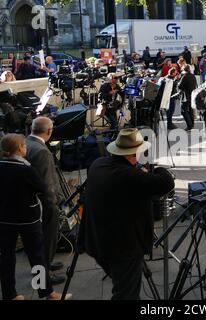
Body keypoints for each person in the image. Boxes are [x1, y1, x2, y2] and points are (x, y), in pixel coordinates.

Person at [83, 128, 175, 300]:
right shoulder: (130, 175)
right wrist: (157, 170)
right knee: (125, 294)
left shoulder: (98, 165)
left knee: (125, 286)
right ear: (134, 153)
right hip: (122, 248)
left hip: (96, 242)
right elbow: (166, 182)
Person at [0, 134, 71, 300]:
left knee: (6, 258)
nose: (26, 147)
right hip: (28, 219)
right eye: (24, 145)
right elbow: (43, 189)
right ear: (18, 149)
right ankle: (46, 292)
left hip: (4, 218)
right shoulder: (25, 169)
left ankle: (10, 294)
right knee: (37, 256)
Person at [25, 117, 66, 286]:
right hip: (45, 205)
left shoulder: (27, 142)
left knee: (38, 243)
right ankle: (43, 277)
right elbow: (47, 182)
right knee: (46, 241)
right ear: (49, 131)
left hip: (32, 203)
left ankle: (45, 266)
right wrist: (54, 203)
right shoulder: (42, 151)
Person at [178, 64, 198, 131]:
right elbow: (195, 85)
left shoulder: (185, 76)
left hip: (186, 96)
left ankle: (189, 126)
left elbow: (180, 86)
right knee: (190, 111)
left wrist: (178, 81)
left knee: (184, 111)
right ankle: (192, 125)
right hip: (192, 95)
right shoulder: (192, 75)